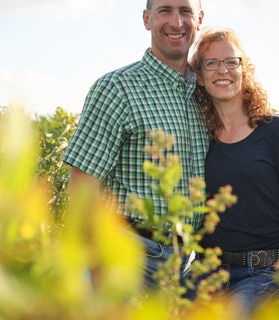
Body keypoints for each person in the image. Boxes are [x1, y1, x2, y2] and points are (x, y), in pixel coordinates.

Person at [62, 0, 208, 290]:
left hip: (189, 264)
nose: (176, 22)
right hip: (131, 257)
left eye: (185, 11)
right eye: (165, 10)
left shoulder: (206, 92)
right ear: (146, 19)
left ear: (199, 19)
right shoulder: (118, 88)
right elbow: (82, 187)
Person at [188, 27, 279, 317]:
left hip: (266, 273)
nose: (222, 69)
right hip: (208, 275)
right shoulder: (200, 137)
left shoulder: (277, 131)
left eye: (231, 61)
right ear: (199, 75)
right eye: (211, 62)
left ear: (244, 69)